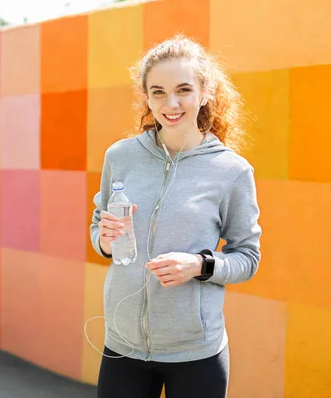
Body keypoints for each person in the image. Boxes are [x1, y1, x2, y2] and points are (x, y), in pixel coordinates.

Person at [89, 34, 262, 398]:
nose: (171, 104)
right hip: (123, 345)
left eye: (183, 89)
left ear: (205, 91)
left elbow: (247, 256)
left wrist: (201, 265)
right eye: (158, 92)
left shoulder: (231, 171)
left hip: (196, 351)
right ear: (147, 98)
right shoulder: (120, 157)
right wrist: (103, 240)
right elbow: (98, 226)